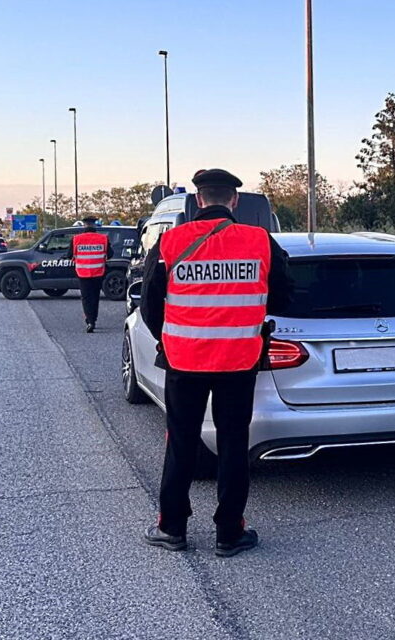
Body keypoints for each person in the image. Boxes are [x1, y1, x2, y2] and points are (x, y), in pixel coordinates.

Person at [139, 168, 292, 557]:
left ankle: (172, 527)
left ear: (198, 201)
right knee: (233, 445)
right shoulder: (259, 240)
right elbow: (285, 295)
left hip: (184, 362)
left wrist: (172, 339)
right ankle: (229, 533)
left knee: (181, 444)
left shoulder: (172, 241)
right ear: (234, 201)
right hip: (239, 361)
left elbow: (150, 305)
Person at [68, 216, 112, 333]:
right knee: (95, 297)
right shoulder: (103, 238)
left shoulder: (76, 239)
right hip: (98, 272)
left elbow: (69, 255)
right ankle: (94, 318)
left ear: (84, 225)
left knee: (86, 298)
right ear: (95, 225)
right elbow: (110, 254)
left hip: (83, 273)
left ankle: (90, 320)